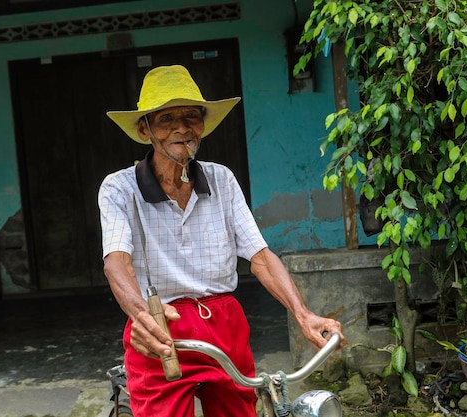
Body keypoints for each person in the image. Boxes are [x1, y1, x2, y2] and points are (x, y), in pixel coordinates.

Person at [98, 65, 345, 417]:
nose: (182, 127)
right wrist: (141, 315)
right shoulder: (119, 188)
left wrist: (303, 315)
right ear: (145, 129)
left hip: (224, 324)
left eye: (190, 115)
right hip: (161, 326)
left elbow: (260, 257)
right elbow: (116, 262)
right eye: (166, 118)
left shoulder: (222, 179)